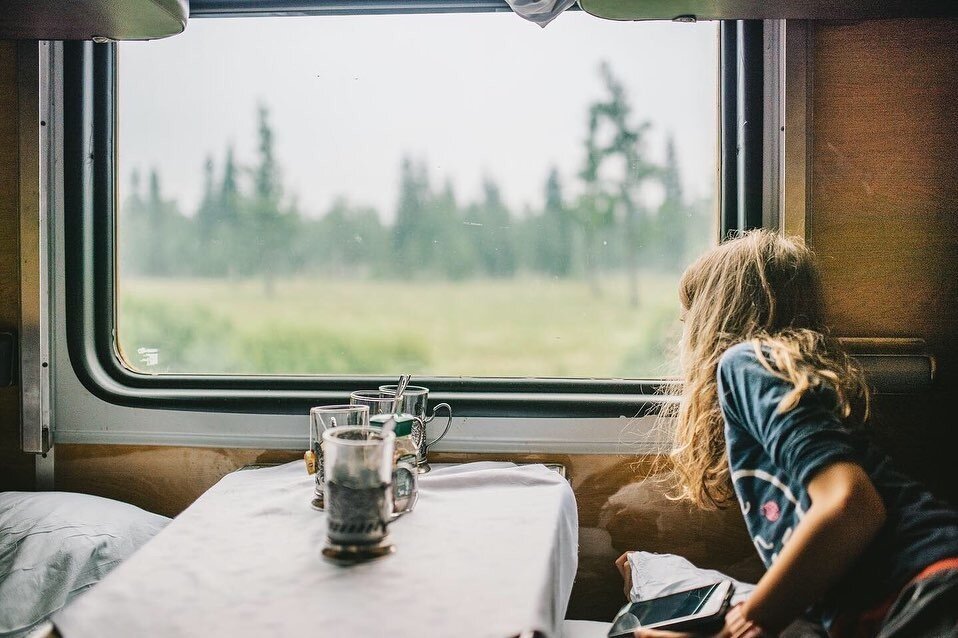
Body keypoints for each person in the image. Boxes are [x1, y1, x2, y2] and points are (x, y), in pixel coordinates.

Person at [615, 230, 958, 638]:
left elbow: (853, 506)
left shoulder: (745, 362)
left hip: (929, 587)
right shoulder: (792, 391)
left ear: (714, 318)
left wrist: (749, 620)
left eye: (690, 317)